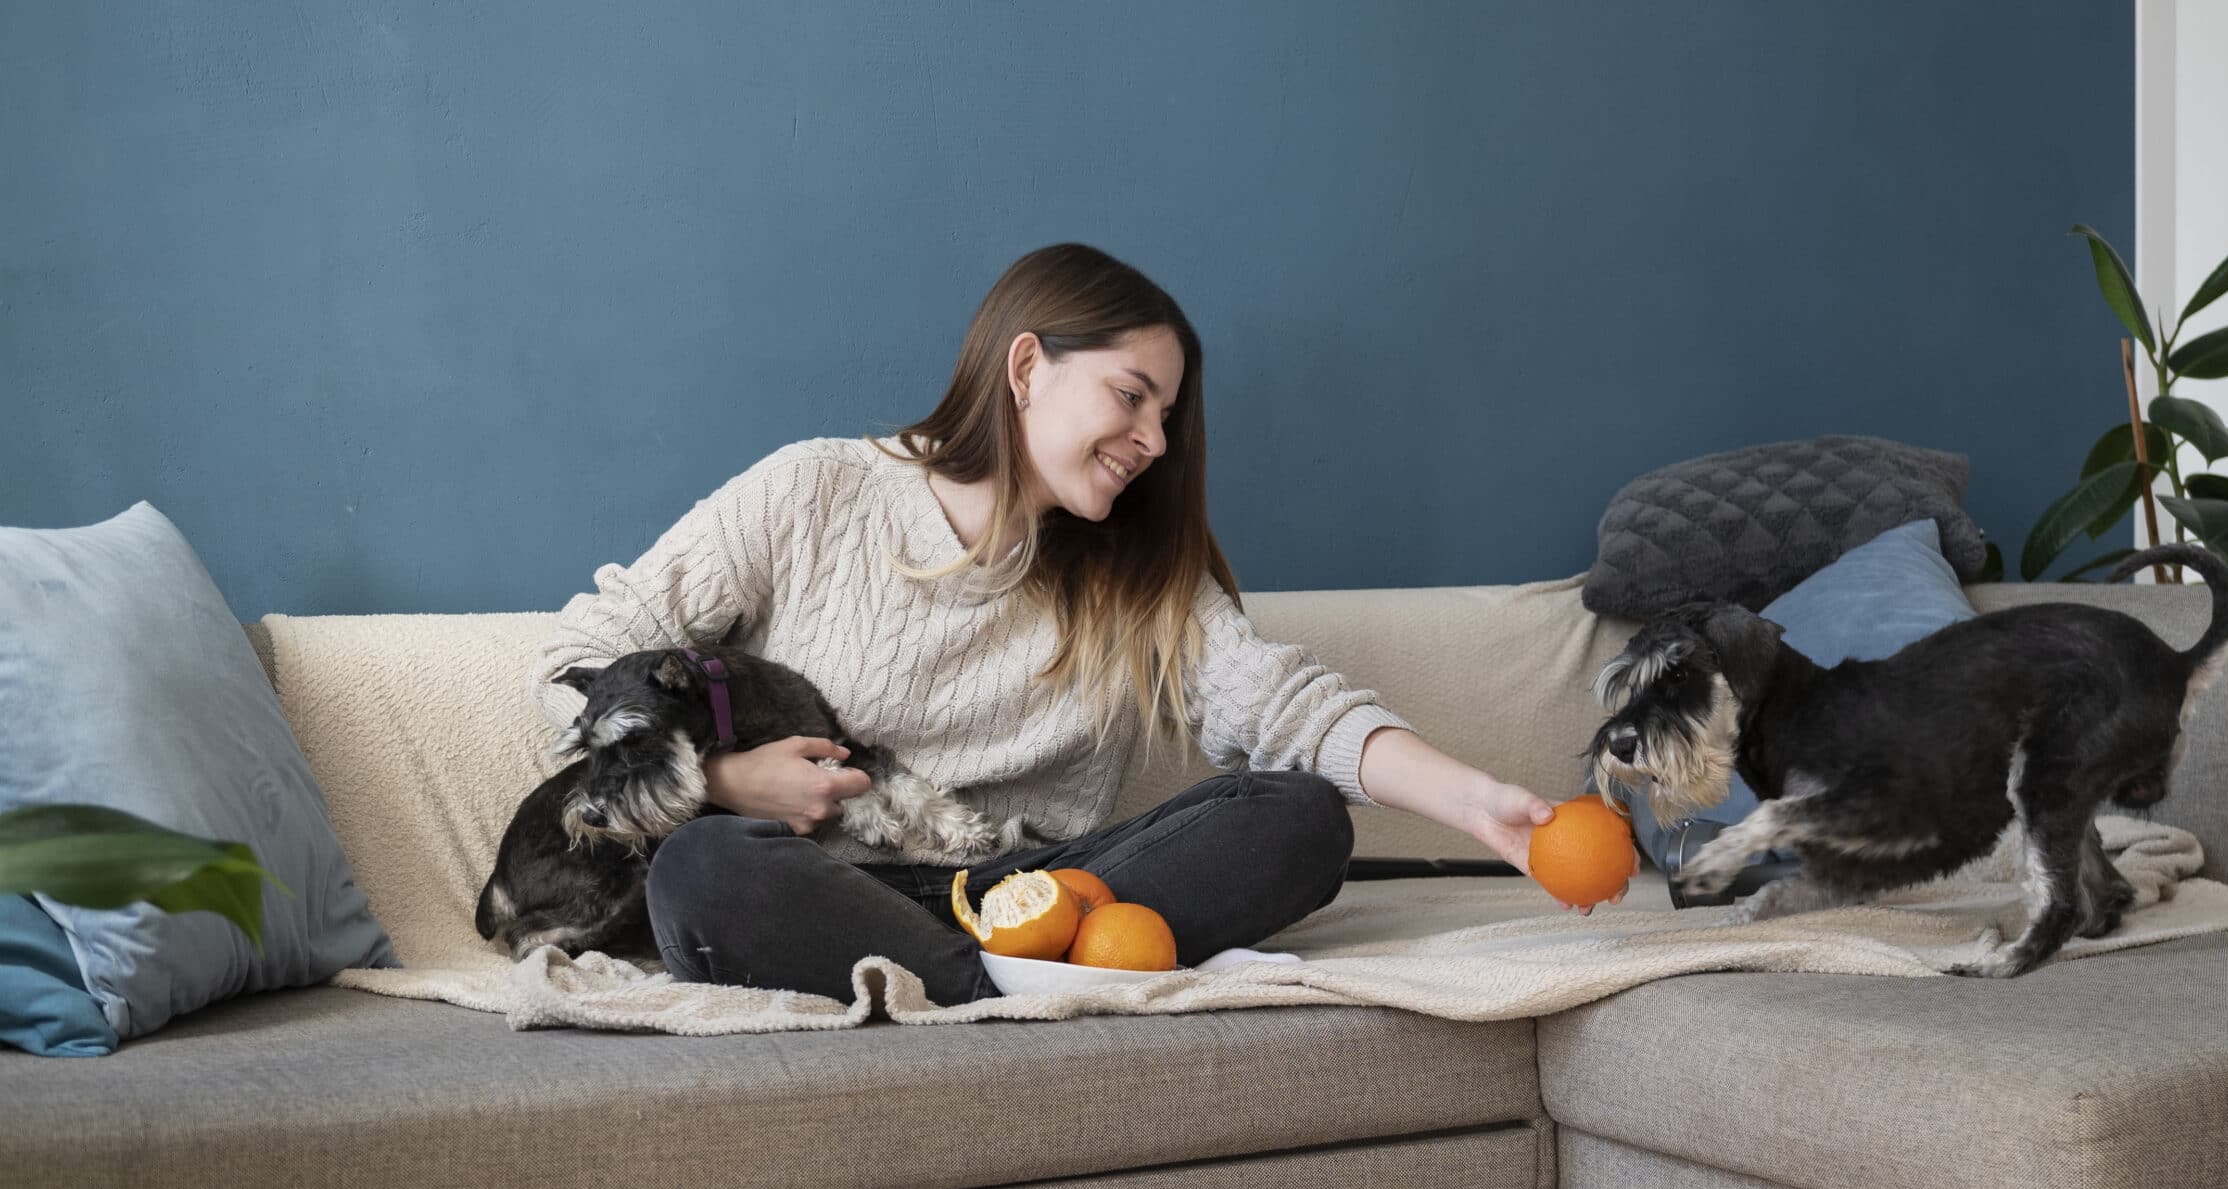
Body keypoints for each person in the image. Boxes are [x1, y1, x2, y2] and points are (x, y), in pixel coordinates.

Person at [534, 243, 1596, 1007]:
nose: (1150, 440)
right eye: (1131, 397)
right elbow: (575, 659)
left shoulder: (1135, 575)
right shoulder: (814, 491)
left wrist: (1477, 803)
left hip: (1047, 892)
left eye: (1166, 418)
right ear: (1028, 364)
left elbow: (1284, 705)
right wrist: (715, 784)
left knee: (1300, 816)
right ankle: (1001, 990)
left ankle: (979, 980)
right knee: (701, 873)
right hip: (815, 884)